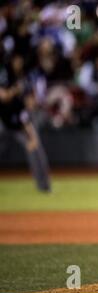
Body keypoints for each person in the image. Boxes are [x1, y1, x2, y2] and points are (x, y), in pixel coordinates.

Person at [0, 53, 51, 193]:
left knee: (36, 149)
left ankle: (44, 186)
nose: (19, 63)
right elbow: (3, 96)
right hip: (4, 122)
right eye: (16, 60)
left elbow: (26, 118)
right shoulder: (7, 76)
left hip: (19, 125)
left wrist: (32, 138)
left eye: (20, 60)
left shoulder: (24, 81)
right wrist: (14, 90)